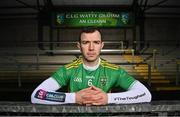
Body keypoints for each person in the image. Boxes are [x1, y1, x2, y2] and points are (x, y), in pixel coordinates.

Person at [31, 27, 152, 105]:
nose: (91, 48)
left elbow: (145, 94)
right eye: (85, 42)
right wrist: (74, 98)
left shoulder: (114, 71)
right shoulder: (68, 70)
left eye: (96, 42)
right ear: (79, 46)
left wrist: (108, 99)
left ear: (102, 45)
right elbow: (36, 95)